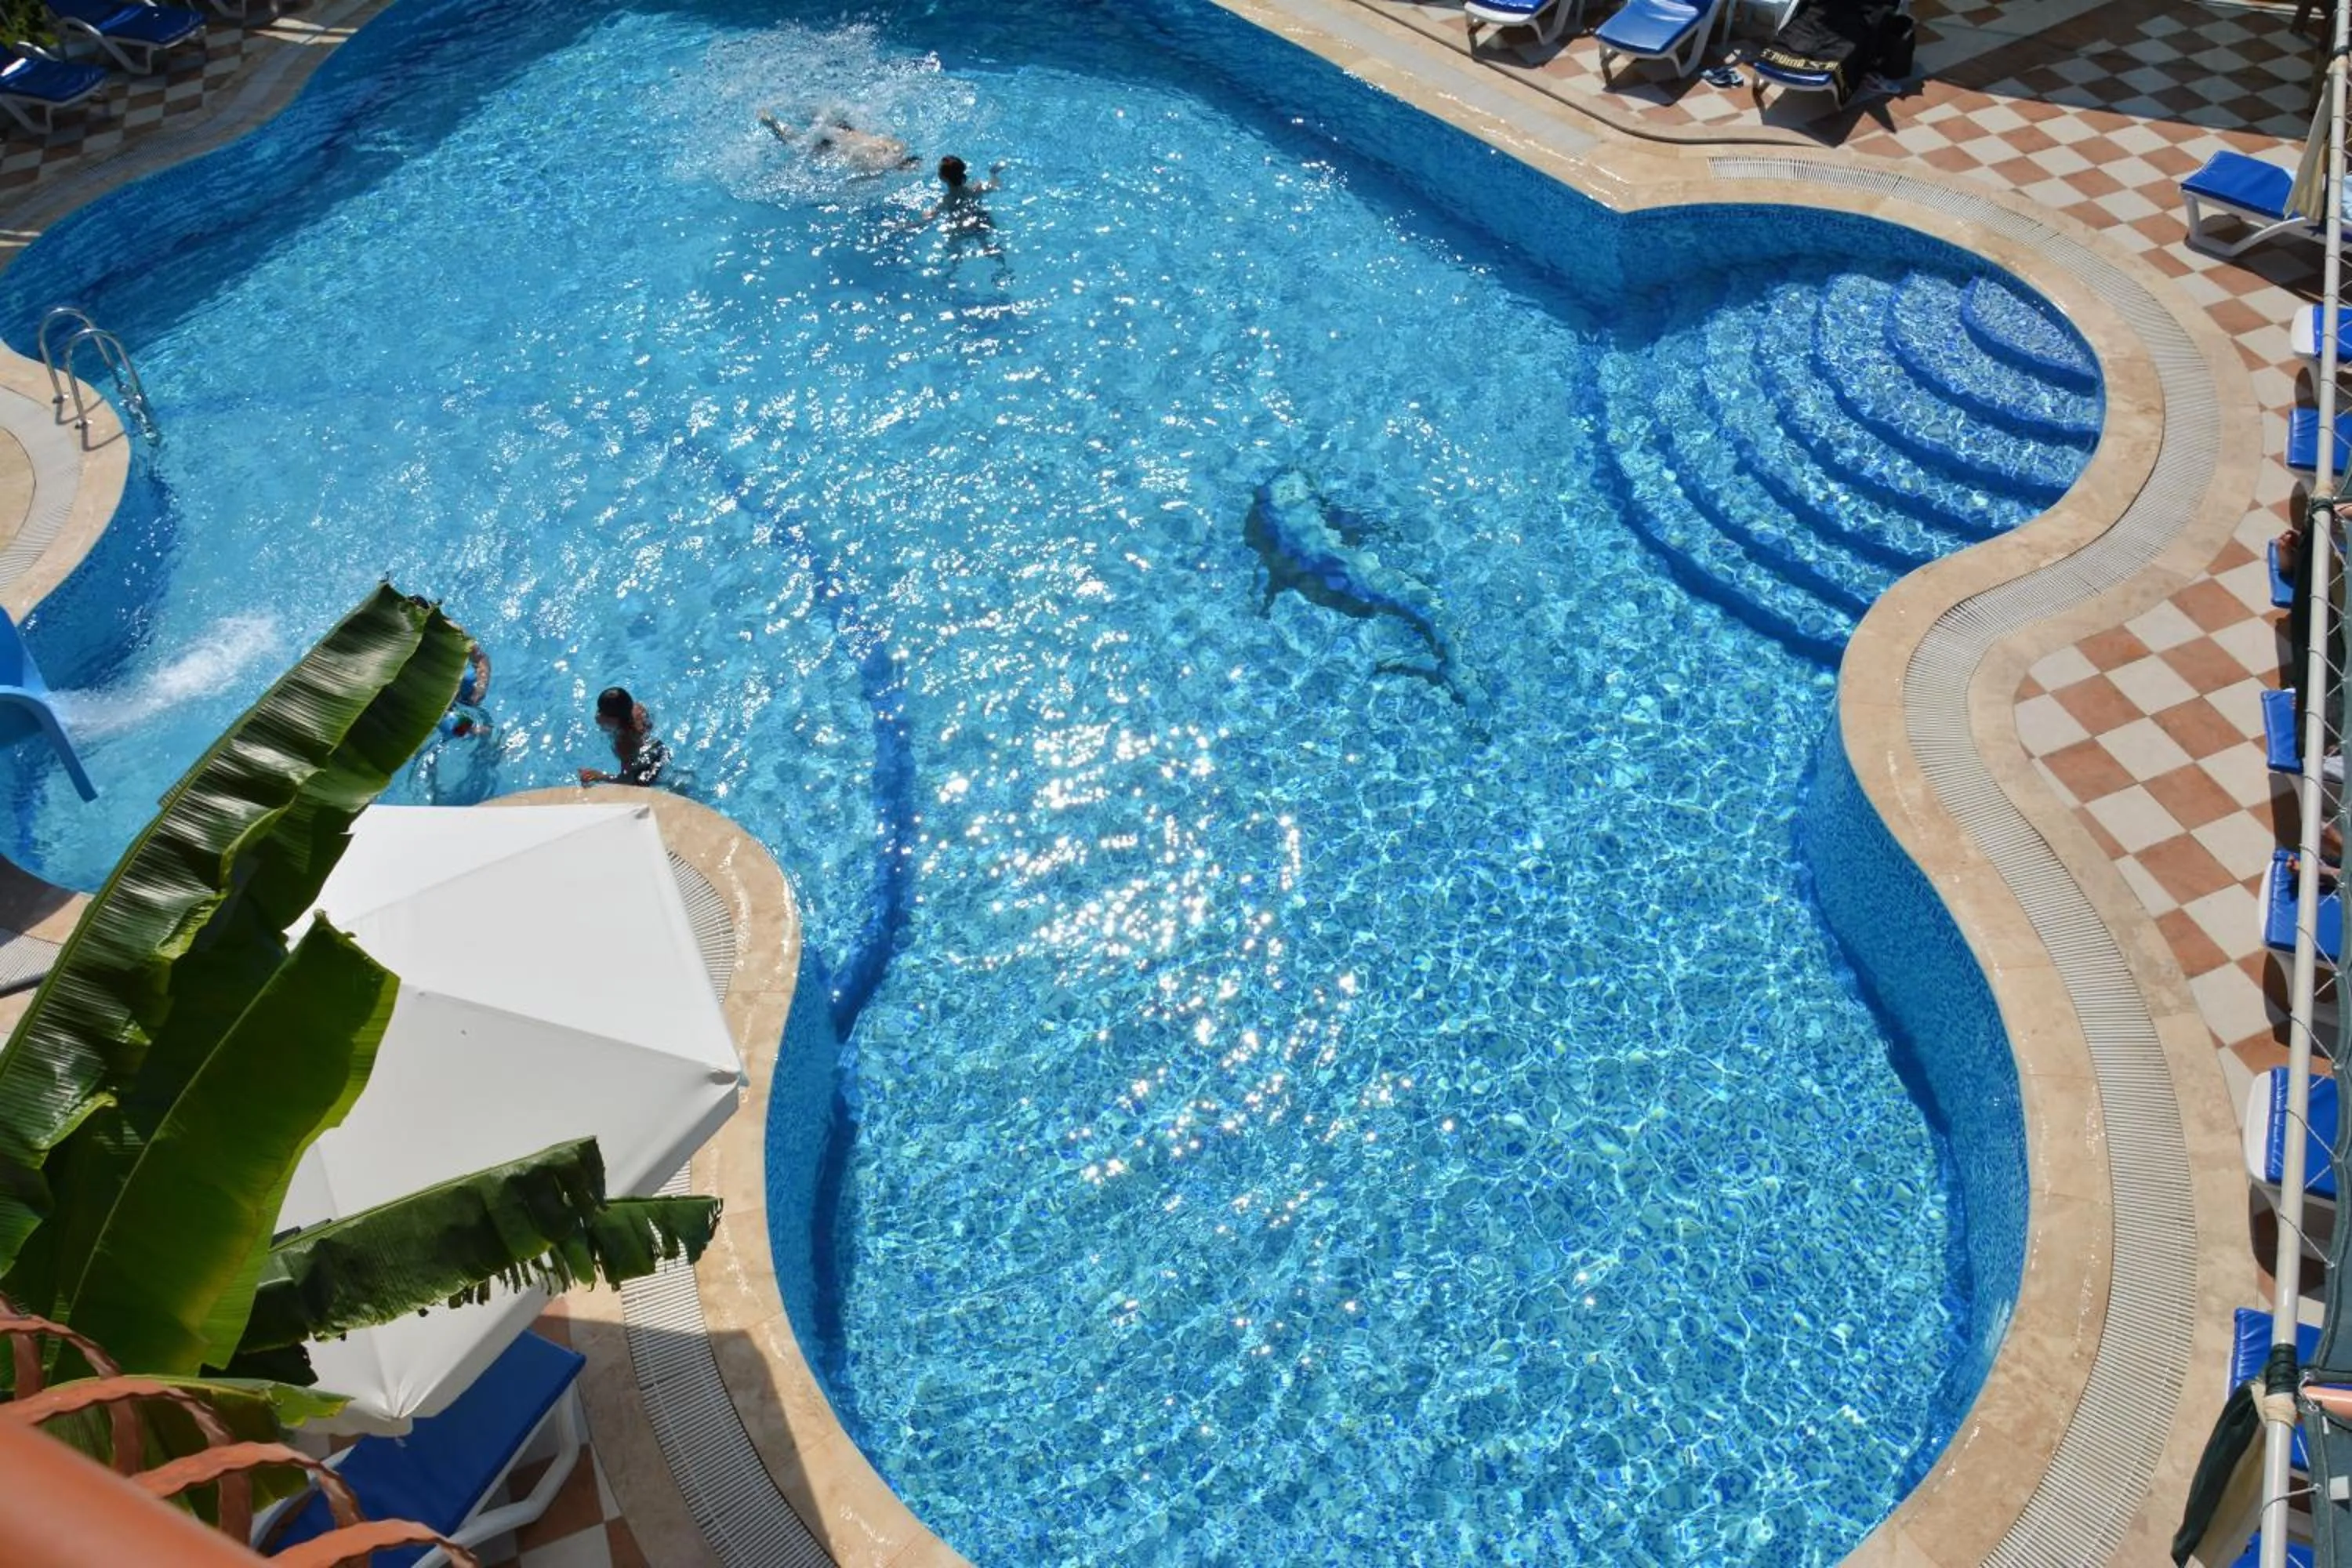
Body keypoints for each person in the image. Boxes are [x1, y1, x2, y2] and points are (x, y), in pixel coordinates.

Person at [760, 110, 919, 176]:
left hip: (845, 131)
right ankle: (772, 123)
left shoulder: (897, 147)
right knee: (796, 142)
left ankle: (774, 121)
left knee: (810, 130)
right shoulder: (875, 167)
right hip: (833, 143)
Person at [578, 686, 670, 787]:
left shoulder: (623, 742)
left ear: (615, 720)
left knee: (638, 785)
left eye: (601, 712)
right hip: (659, 747)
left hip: (650, 764)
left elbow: (626, 781)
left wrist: (600, 776)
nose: (597, 716)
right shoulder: (637, 708)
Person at [442, 640, 492, 739]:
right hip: (430, 700)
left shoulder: (449, 632)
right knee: (468, 732)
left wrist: (481, 686)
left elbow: (480, 658)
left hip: (454, 687)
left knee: (471, 682)